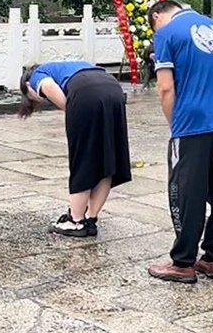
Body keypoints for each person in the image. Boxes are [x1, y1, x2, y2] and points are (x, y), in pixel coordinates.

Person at [144, 0, 213, 283]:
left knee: (187, 191)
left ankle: (183, 261)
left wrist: (174, 126)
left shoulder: (167, 33)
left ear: (157, 16)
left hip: (193, 122)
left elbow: (166, 87)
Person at [18, 61, 133, 237]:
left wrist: (75, 111)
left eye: (33, 98)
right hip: (113, 89)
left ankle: (75, 220)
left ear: (27, 86)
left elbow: (49, 88)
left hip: (86, 93)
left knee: (83, 158)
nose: (41, 100)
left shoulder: (36, 75)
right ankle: (90, 219)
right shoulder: (68, 66)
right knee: (106, 157)